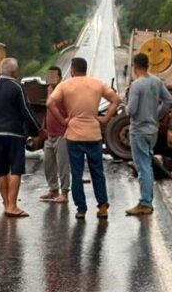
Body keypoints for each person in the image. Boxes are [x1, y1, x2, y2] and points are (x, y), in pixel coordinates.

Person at [47, 57, 121, 219]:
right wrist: (105, 118)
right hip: (93, 134)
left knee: (77, 173)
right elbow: (116, 100)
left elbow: (50, 103)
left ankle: (81, 209)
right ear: (85, 69)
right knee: (97, 172)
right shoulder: (97, 83)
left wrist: (63, 121)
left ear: (72, 70)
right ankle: (102, 206)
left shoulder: (65, 85)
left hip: (74, 135)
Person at [0, 57, 41, 217]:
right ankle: (13, 205)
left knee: (1, 170)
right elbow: (26, 110)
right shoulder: (17, 87)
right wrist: (36, 130)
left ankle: (6, 204)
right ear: (14, 72)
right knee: (16, 169)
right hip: (14, 133)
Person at [125, 53, 172, 216]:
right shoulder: (156, 82)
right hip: (153, 130)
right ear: (148, 65)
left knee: (143, 166)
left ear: (135, 66)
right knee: (147, 164)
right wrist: (157, 115)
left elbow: (131, 110)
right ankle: (147, 200)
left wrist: (125, 107)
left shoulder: (137, 85)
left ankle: (145, 203)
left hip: (138, 130)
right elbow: (168, 101)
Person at [39, 66, 70, 203]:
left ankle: (64, 193)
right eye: (48, 76)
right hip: (50, 134)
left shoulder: (65, 90)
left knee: (63, 164)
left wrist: (66, 123)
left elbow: (71, 110)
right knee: (48, 163)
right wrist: (44, 127)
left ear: (60, 77)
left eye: (53, 76)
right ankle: (53, 190)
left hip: (62, 134)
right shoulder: (49, 89)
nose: (50, 79)